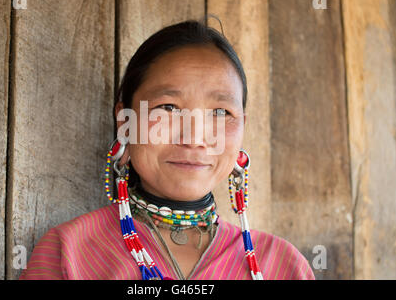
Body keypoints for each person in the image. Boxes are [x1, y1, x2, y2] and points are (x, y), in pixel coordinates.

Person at [19, 19, 315, 280]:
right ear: (125, 122)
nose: (195, 138)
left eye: (221, 112)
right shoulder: (70, 253)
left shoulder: (281, 266)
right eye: (168, 107)